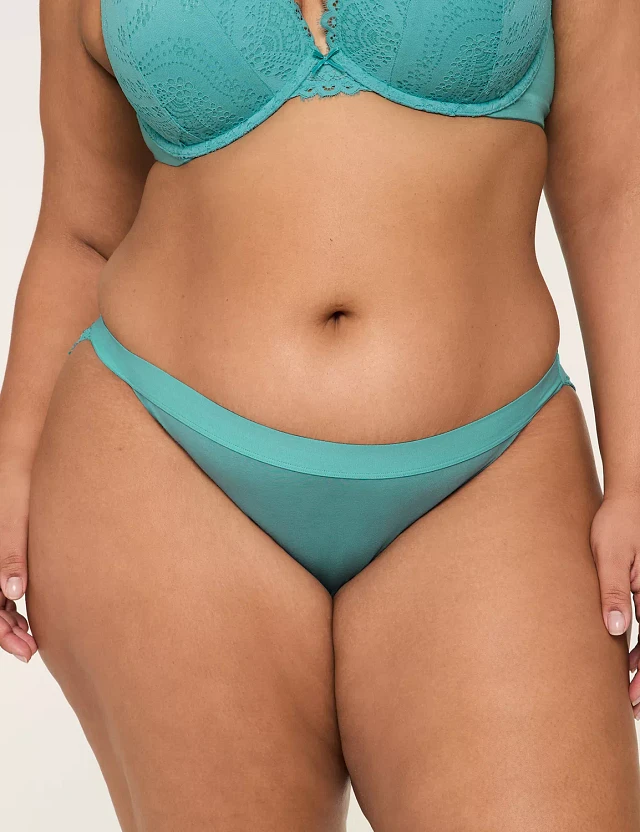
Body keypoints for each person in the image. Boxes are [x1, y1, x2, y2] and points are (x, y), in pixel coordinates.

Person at [1, 0, 640, 828]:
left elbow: (618, 192)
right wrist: (11, 466)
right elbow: (83, 228)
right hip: (159, 462)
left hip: (495, 472)